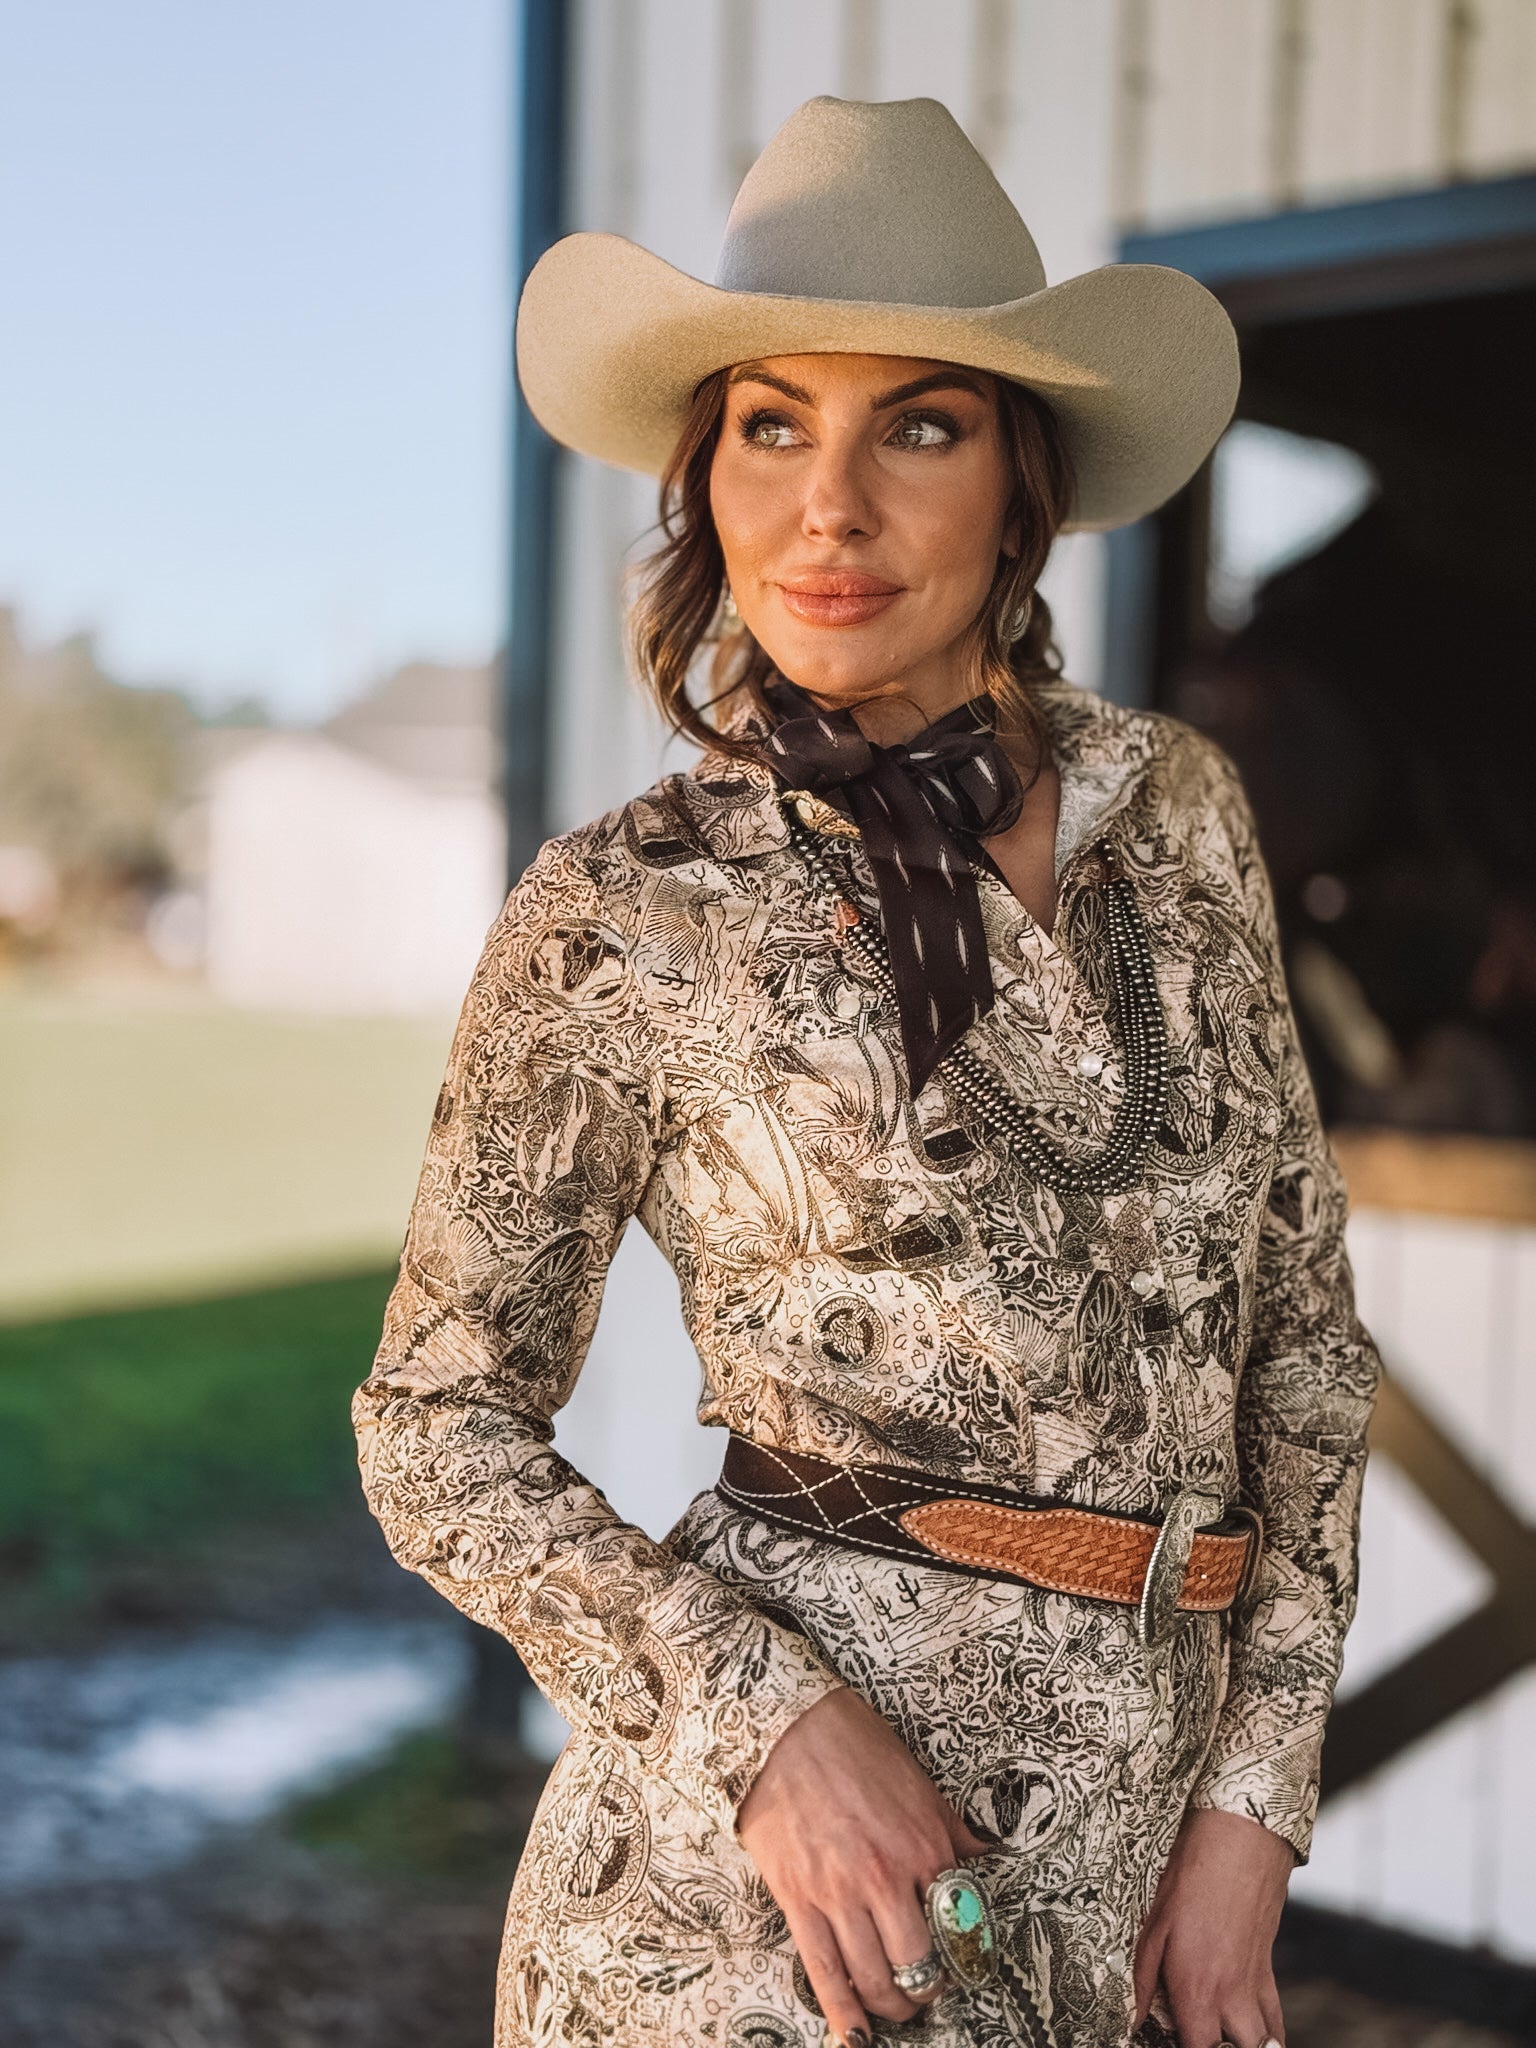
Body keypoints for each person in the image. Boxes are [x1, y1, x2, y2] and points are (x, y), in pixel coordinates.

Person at [352, 96, 1380, 2048]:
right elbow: (434, 1424)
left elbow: (1306, 1349)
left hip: (1124, 1881)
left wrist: (1258, 1795)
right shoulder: (625, 908)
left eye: (916, 427)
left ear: (1021, 484)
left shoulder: (1178, 810)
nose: (828, 507)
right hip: (765, 1918)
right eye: (771, 427)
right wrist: (760, 1719)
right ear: (707, 476)